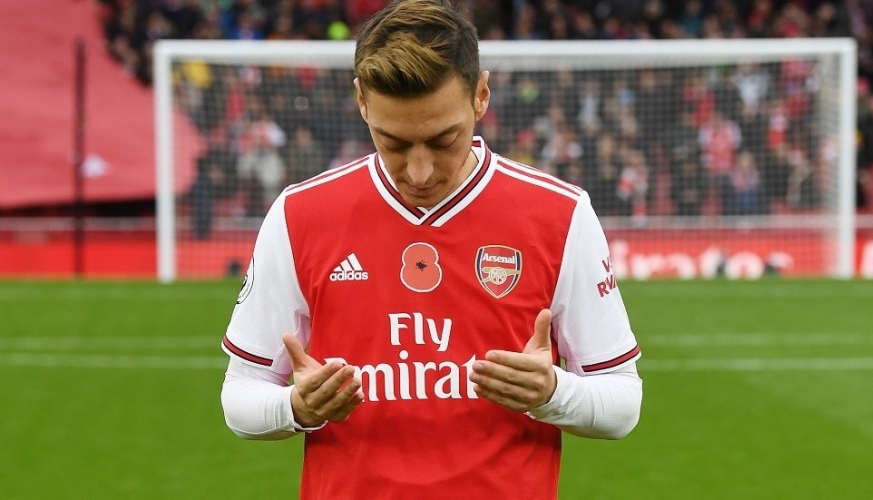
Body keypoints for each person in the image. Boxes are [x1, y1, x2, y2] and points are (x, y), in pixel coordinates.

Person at [219, 1, 643, 498]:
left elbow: (622, 403)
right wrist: (295, 408)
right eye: (393, 143)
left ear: (481, 95)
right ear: (362, 102)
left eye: (444, 141)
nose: (419, 172)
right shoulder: (301, 215)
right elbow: (239, 396)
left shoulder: (559, 214)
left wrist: (553, 392)